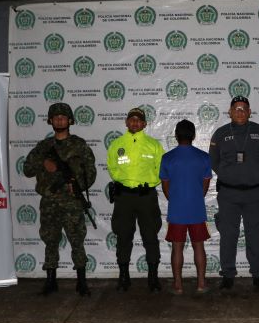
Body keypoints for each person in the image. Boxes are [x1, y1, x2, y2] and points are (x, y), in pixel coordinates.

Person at [23, 102, 97, 296]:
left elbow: (90, 171)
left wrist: (78, 184)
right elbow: (27, 169)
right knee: (50, 240)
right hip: (49, 202)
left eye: (63, 117)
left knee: (77, 241)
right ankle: (50, 281)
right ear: (50, 121)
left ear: (70, 120)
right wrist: (43, 163)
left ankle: (82, 282)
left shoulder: (79, 145)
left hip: (72, 202)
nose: (59, 120)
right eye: (55, 117)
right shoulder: (44, 147)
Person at [209, 96, 259, 291]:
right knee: (228, 235)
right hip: (229, 194)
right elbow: (213, 160)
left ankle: (258, 273)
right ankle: (228, 274)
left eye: (244, 108)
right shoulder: (221, 133)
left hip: (254, 194)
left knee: (256, 235)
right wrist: (229, 174)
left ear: (249, 112)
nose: (240, 112)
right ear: (230, 112)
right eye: (236, 108)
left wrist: (254, 171)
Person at [107, 107, 165, 292]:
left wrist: (148, 183)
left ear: (144, 124)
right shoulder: (117, 144)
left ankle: (153, 278)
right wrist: (125, 182)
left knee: (150, 236)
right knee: (123, 236)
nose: (134, 122)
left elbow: (161, 169)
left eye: (138, 120)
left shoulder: (153, 145)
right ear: (126, 122)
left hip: (146, 196)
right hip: (124, 197)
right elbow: (112, 167)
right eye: (131, 119)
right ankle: (124, 277)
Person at [159, 119, 212, 295]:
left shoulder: (167, 158)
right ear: (194, 135)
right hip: (196, 209)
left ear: (176, 135)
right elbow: (205, 187)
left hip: (177, 210)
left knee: (177, 248)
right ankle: (201, 284)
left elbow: (165, 188)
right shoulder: (204, 157)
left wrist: (176, 200)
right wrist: (194, 198)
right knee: (199, 246)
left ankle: (178, 285)